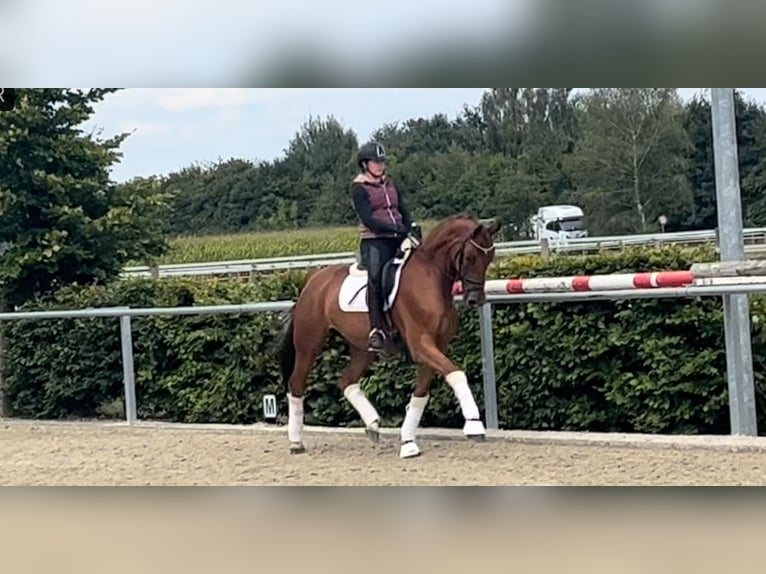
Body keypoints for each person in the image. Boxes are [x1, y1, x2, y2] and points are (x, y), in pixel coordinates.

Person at [351, 141, 416, 353]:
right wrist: (392, 228)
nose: (379, 166)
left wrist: (410, 227)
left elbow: (403, 209)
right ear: (365, 165)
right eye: (375, 162)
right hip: (375, 240)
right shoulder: (359, 187)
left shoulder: (390, 184)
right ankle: (376, 329)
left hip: (397, 236)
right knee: (377, 278)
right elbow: (368, 219)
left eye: (381, 162)